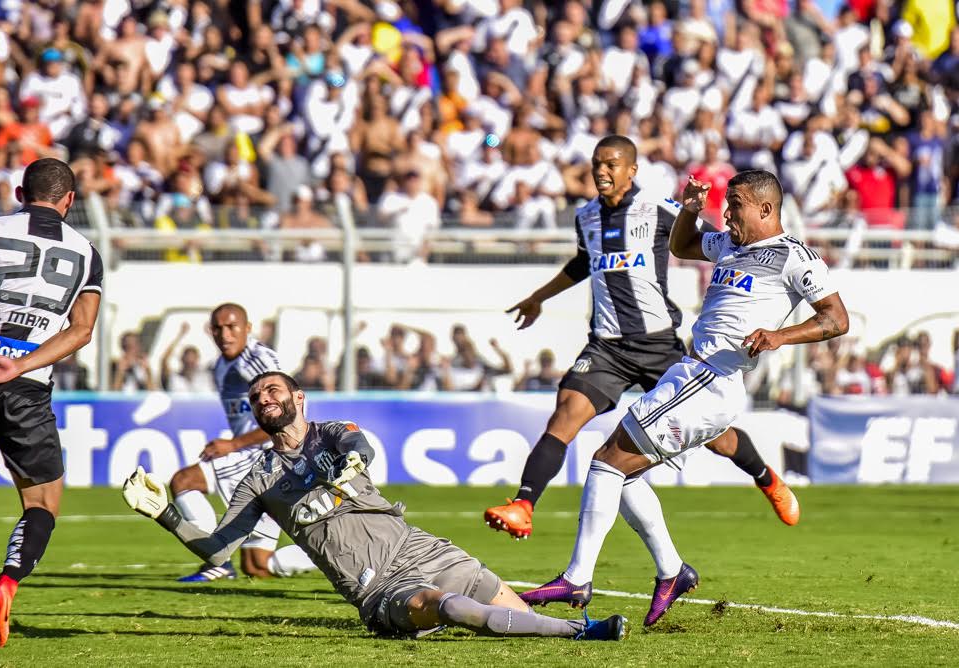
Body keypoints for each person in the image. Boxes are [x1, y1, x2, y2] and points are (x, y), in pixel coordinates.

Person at [522, 170, 849, 626]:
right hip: (692, 374)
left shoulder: (795, 258)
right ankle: (672, 572)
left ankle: (578, 578)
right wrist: (691, 210)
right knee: (626, 473)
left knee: (605, 462)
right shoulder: (730, 245)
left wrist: (780, 335)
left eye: (735, 204)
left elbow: (836, 320)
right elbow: (683, 246)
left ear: (766, 209)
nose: (727, 212)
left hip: (712, 379)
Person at [123, 371, 626, 642]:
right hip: (380, 587)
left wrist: (349, 466)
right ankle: (582, 632)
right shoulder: (258, 482)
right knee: (448, 608)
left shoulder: (333, 432)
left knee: (505, 619)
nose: (263, 399)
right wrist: (165, 514)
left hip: (425, 550)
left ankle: (562, 616)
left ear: (298, 397)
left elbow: (362, 449)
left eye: (272, 389)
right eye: (256, 398)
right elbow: (217, 551)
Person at [486, 136, 798, 540]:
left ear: (631, 170)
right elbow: (583, 263)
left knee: (715, 437)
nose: (601, 171)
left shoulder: (658, 208)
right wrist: (537, 298)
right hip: (607, 346)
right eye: (597, 164)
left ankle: (766, 477)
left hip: (657, 344)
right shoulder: (586, 217)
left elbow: (721, 243)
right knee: (565, 414)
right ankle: (523, 505)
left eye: (611, 164)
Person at [0, 158, 103, 647]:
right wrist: (19, 366)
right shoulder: (86, 252)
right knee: (43, 500)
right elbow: (81, 330)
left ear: (21, 193)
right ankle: (6, 582)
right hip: (27, 383)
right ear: (69, 201)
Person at [166, 303, 315, 581]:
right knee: (258, 566)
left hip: (267, 453)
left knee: (184, 481)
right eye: (218, 328)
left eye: (232, 327)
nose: (225, 334)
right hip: (256, 454)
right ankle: (340, 552)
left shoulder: (259, 361)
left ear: (247, 329)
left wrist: (233, 445)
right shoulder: (222, 366)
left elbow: (291, 415)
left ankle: (216, 562)